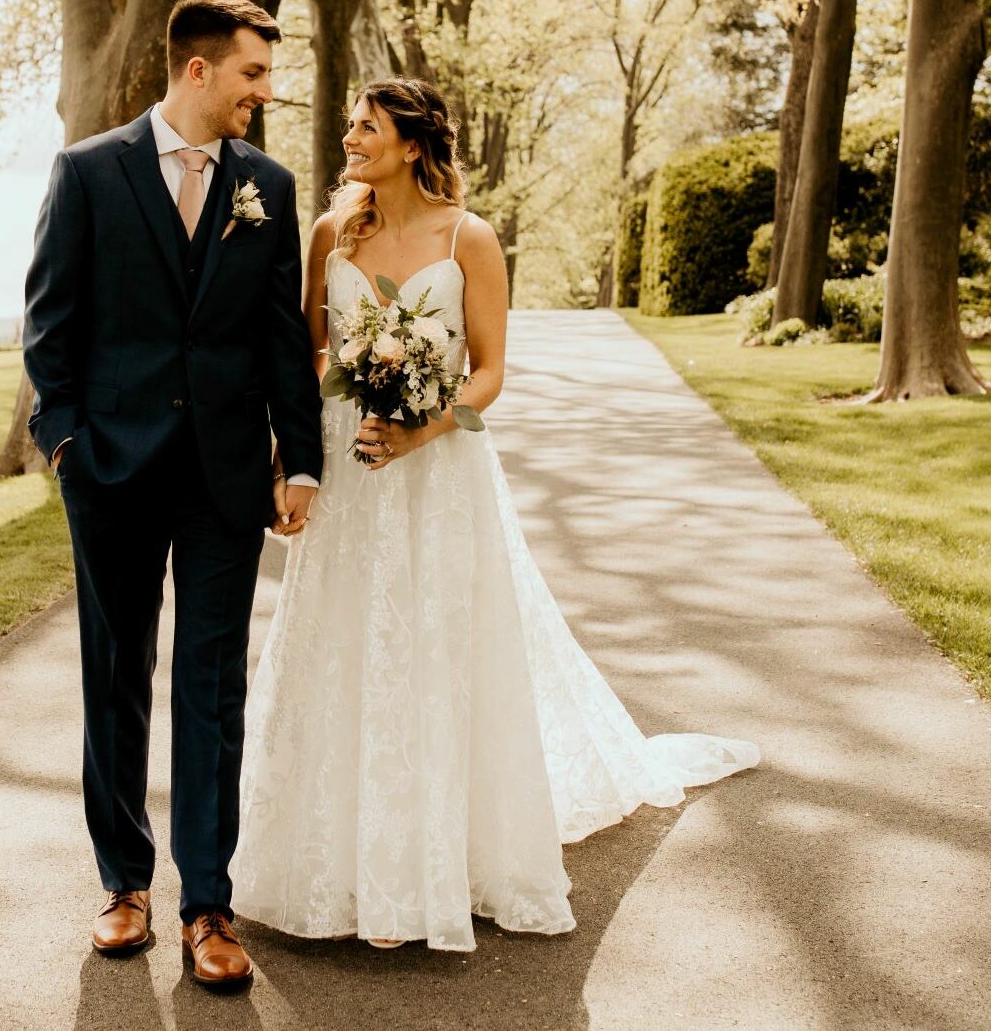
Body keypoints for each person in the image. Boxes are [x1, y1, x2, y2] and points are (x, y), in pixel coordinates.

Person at [232, 76, 759, 953]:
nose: (351, 139)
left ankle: (431, 863)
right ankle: (335, 861)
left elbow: (488, 375)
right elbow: (305, 351)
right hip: (347, 465)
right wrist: (298, 460)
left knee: (436, 645)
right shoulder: (332, 231)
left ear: (410, 144)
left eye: (367, 128)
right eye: (351, 126)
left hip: (437, 468)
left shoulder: (469, 239)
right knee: (342, 640)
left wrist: (418, 426)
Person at [21, 0, 325, 992]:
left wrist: (303, 456)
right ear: (197, 71)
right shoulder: (87, 174)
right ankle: (123, 884)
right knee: (114, 680)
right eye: (252, 74)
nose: (263, 93)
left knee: (211, 690)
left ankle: (207, 904)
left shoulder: (268, 188)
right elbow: (50, 326)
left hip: (226, 479)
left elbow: (282, 334)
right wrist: (63, 442)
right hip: (109, 471)